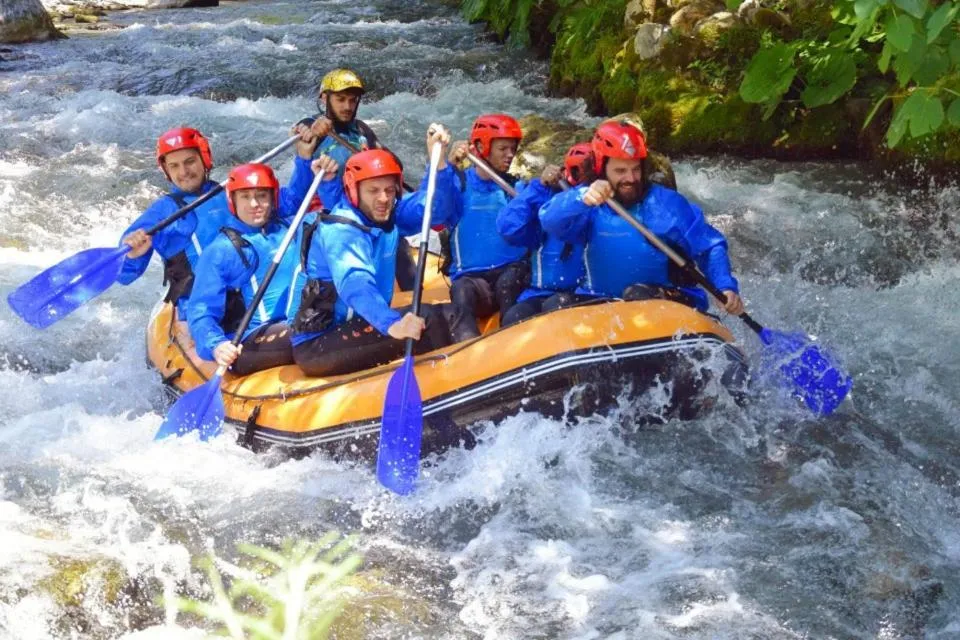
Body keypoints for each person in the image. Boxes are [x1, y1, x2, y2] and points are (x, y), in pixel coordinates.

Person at [290, 126, 460, 378]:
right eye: (373, 190)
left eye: (389, 190)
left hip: (359, 324)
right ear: (353, 190)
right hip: (320, 342)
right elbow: (354, 283)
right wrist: (391, 323)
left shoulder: (388, 214)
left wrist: (440, 162)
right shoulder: (341, 229)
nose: (383, 198)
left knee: (451, 312)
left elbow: (435, 209)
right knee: (436, 320)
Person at [539, 120, 744, 315]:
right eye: (620, 171)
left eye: (635, 169)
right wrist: (580, 197)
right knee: (554, 305)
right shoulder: (587, 201)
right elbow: (549, 219)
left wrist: (724, 285)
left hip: (665, 299)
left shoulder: (666, 204)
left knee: (636, 294)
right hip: (604, 301)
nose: (630, 178)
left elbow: (709, 247)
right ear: (601, 169)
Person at [186, 153, 320, 377]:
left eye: (261, 196)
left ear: (273, 198)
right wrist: (216, 345)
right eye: (245, 197)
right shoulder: (221, 250)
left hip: (298, 321)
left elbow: (308, 198)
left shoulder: (290, 226)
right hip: (253, 340)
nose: (254, 204)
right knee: (307, 329)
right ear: (232, 201)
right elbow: (201, 310)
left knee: (319, 321)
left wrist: (316, 169)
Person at [119, 127, 231, 318]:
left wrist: (302, 159)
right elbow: (124, 275)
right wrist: (132, 256)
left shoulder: (232, 192)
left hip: (250, 292)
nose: (184, 171)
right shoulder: (163, 211)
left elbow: (290, 204)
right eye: (174, 166)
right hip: (200, 308)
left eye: (190, 162)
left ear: (204, 160)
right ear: (166, 172)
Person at [442, 113, 531, 341]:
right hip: (474, 279)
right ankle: (467, 349)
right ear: (481, 147)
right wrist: (449, 165)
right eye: (503, 148)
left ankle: (511, 341)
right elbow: (434, 211)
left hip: (511, 274)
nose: (510, 155)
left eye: (513, 149)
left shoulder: (515, 187)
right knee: (461, 290)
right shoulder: (458, 184)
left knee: (507, 282)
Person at [496, 142, 594, 326]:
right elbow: (507, 228)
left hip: (582, 294)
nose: (580, 178)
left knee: (555, 306)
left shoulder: (603, 206)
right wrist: (539, 187)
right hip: (541, 292)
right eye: (575, 171)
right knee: (514, 317)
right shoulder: (547, 201)